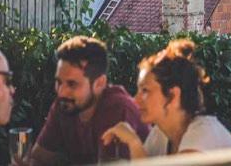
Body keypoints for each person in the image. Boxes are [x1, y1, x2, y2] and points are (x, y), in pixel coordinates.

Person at [22, 36, 148, 165]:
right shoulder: (66, 104)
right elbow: (38, 157)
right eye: (59, 82)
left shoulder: (117, 108)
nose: (61, 92)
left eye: (72, 84)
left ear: (99, 83)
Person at [101, 40, 231, 158]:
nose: (135, 100)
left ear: (173, 96)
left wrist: (134, 143)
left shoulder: (204, 133)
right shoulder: (160, 134)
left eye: (145, 91)